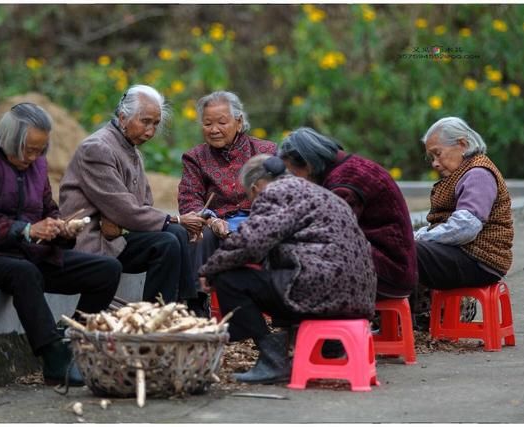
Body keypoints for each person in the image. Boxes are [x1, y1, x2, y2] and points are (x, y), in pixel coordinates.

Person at [0, 102, 121, 386]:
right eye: (28, 149)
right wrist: (26, 230)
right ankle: (53, 358)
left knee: (107, 269)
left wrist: (61, 229)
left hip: (27, 253)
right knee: (24, 273)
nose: (34, 157)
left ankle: (72, 341)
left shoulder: (37, 163)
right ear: (8, 140)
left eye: (40, 150)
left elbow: (48, 209)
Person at [199, 154, 377, 384]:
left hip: (322, 291)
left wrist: (209, 270)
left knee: (230, 279)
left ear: (256, 188)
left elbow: (250, 242)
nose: (254, 205)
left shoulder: (275, 193)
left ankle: (273, 360)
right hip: (359, 298)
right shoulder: (319, 192)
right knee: (277, 274)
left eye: (251, 198)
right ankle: (330, 346)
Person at [60, 84, 205, 306]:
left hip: (115, 236)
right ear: (123, 117)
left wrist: (125, 221)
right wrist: (174, 218)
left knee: (175, 233)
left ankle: (182, 306)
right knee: (168, 238)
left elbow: (143, 205)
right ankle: (157, 312)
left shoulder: (131, 149)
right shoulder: (97, 148)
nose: (150, 131)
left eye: (155, 124)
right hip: (94, 242)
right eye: (145, 121)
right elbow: (125, 209)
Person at [278, 127, 418, 302]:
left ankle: (305, 327)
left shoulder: (345, 183)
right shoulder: (348, 169)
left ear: (308, 164)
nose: (295, 180)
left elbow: (328, 235)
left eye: (293, 173)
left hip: (389, 274)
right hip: (393, 266)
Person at [177, 91, 277, 314]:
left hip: (258, 220)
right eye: (207, 123)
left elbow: (279, 195)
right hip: (217, 222)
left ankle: (275, 305)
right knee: (199, 234)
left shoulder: (266, 151)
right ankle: (197, 303)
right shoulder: (195, 157)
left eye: (222, 122)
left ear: (239, 122)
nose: (214, 129)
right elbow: (188, 199)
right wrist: (211, 220)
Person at [414, 117, 513, 315]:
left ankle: (402, 317)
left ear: (462, 144)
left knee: (407, 251)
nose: (435, 163)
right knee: (402, 247)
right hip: (467, 255)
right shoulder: (464, 172)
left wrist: (419, 238)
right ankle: (414, 315)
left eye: (438, 154)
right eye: (431, 157)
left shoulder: (478, 173)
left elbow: (466, 227)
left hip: (481, 261)